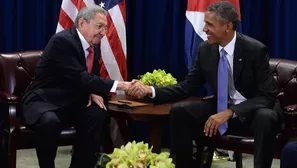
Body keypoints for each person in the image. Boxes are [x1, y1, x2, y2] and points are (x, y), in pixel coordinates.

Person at [126, 1, 282, 168]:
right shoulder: (205, 50)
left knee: (265, 117)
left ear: (227, 26)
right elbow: (188, 86)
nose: (204, 29)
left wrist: (230, 112)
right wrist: (151, 91)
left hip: (253, 110)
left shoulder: (255, 50)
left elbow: (267, 96)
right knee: (180, 111)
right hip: (222, 107)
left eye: (209, 24)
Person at [21, 5, 131, 168]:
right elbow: (79, 77)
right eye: (99, 26)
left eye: (105, 28)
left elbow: (89, 78)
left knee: (97, 114)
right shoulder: (63, 41)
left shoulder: (94, 45)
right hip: (45, 100)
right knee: (49, 121)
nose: (103, 32)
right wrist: (121, 85)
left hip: (72, 102)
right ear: (81, 23)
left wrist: (92, 91)